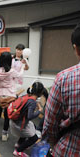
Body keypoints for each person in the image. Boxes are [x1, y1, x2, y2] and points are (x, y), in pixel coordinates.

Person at [43, 24, 80, 156]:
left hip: (69, 149)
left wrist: (54, 143)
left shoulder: (64, 78)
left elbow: (50, 123)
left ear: (76, 49)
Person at [0, 52, 24, 142]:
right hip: (9, 96)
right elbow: (20, 75)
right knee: (6, 116)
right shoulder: (11, 71)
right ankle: (4, 135)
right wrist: (22, 67)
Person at [10, 82, 44, 157]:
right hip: (19, 124)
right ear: (40, 93)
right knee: (34, 138)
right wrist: (39, 111)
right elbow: (30, 116)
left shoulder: (27, 95)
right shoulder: (32, 102)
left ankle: (18, 144)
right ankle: (18, 151)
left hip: (14, 120)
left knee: (32, 126)